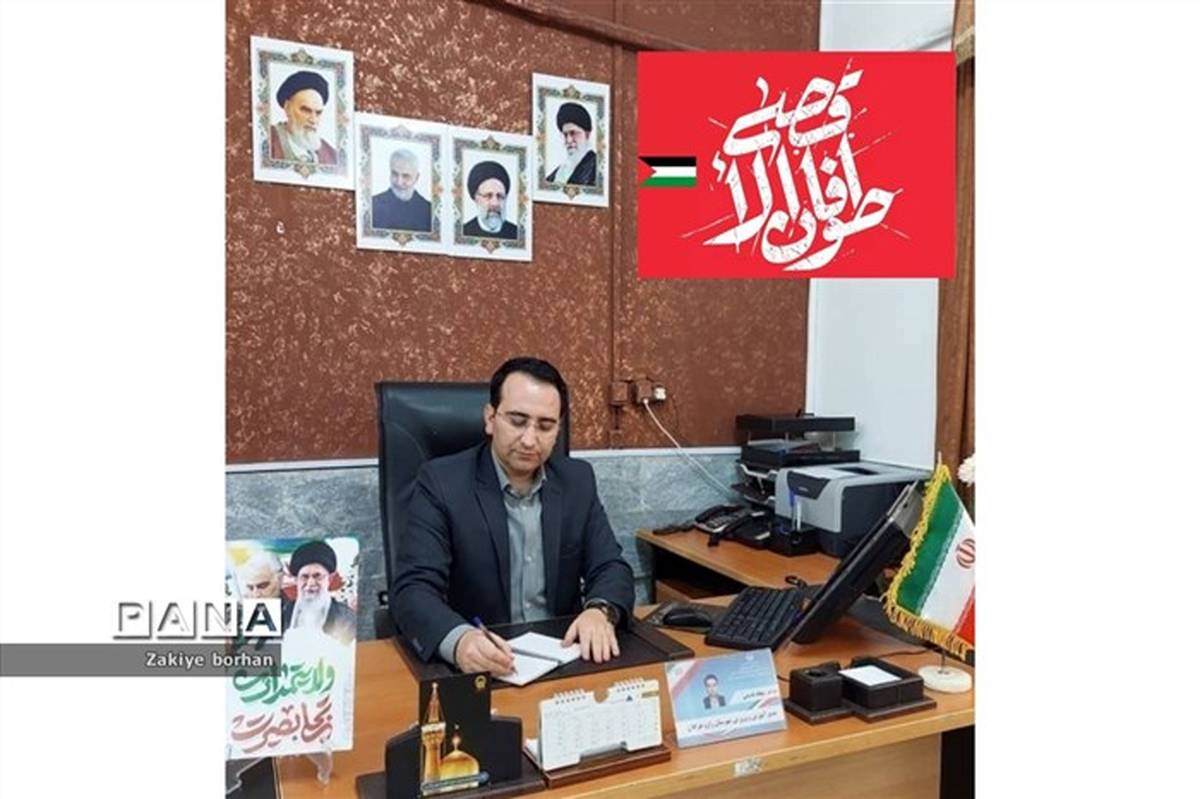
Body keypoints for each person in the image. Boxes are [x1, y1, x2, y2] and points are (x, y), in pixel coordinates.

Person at [392, 357, 634, 676]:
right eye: (518, 421)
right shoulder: (441, 483)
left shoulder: (577, 481)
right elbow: (413, 589)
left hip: (563, 659)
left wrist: (599, 611)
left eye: (545, 426)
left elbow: (611, 566)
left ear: (558, 429)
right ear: (490, 418)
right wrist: (460, 640)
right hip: (484, 664)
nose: (530, 440)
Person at [281, 540, 356, 645]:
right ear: (297, 580)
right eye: (304, 577)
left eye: (317, 576)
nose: (310, 583)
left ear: (329, 579)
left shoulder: (346, 619)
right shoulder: (282, 615)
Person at [269, 70, 338, 165]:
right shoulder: (267, 140)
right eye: (306, 110)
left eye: (318, 113)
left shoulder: (331, 156)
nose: (313, 120)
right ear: (287, 108)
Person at [371, 148, 432, 232]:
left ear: (417, 178)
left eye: (406, 176)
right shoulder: (373, 205)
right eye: (395, 174)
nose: (399, 182)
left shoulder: (428, 211)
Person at [462, 161, 518, 240]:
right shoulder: (464, 232)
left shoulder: (516, 233)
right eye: (488, 196)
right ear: (476, 198)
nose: (495, 203)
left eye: (500, 196)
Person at [545, 102, 597, 186]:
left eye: (573, 133)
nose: (568, 140)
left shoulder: (598, 167)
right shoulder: (555, 175)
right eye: (565, 135)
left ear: (587, 134)